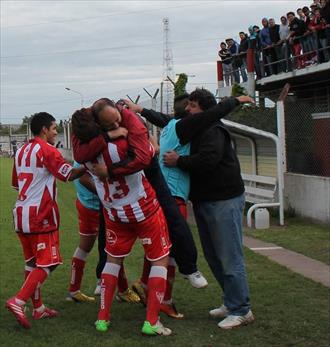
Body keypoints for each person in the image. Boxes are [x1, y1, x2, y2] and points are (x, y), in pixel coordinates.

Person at [73, 99, 208, 291]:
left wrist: (110, 170)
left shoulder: (131, 119)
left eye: (117, 120)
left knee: (171, 213)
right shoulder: (84, 121)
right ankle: (102, 277)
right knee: (107, 225)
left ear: (119, 111)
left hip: (139, 168)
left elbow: (143, 158)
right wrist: (109, 136)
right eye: (109, 125)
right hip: (115, 186)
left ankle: (189, 268)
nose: (116, 125)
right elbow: (80, 154)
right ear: (96, 122)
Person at [72, 106, 172, 336]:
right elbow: (150, 151)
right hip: (144, 209)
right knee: (159, 260)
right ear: (99, 125)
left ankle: (103, 318)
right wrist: (148, 137)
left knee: (113, 260)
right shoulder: (123, 144)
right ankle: (151, 322)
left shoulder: (86, 153)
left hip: (114, 213)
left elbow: (81, 159)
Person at [163, 88, 255, 330]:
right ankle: (231, 301)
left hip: (223, 200)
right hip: (205, 201)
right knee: (214, 256)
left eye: (192, 106)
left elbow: (208, 161)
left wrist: (178, 161)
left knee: (229, 256)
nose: (187, 110)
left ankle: (241, 310)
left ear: (204, 108)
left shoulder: (213, 130)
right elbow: (167, 123)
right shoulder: (198, 129)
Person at [6, 112, 86, 329]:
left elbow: (16, 184)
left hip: (21, 214)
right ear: (44, 129)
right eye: (53, 129)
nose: (55, 133)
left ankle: (38, 308)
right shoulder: (47, 149)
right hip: (40, 216)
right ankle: (19, 300)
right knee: (49, 262)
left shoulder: (21, 151)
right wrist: (87, 166)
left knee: (32, 263)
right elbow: (67, 174)